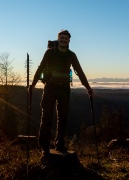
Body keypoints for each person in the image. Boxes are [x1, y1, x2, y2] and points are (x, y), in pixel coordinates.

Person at [29, 29, 93, 161]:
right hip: (50, 88)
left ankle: (60, 145)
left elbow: (79, 72)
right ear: (58, 39)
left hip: (64, 90)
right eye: (61, 38)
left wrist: (88, 87)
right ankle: (45, 148)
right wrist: (33, 85)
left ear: (69, 41)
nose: (63, 40)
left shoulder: (71, 55)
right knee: (46, 117)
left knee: (63, 118)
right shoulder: (50, 53)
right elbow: (40, 68)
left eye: (66, 38)